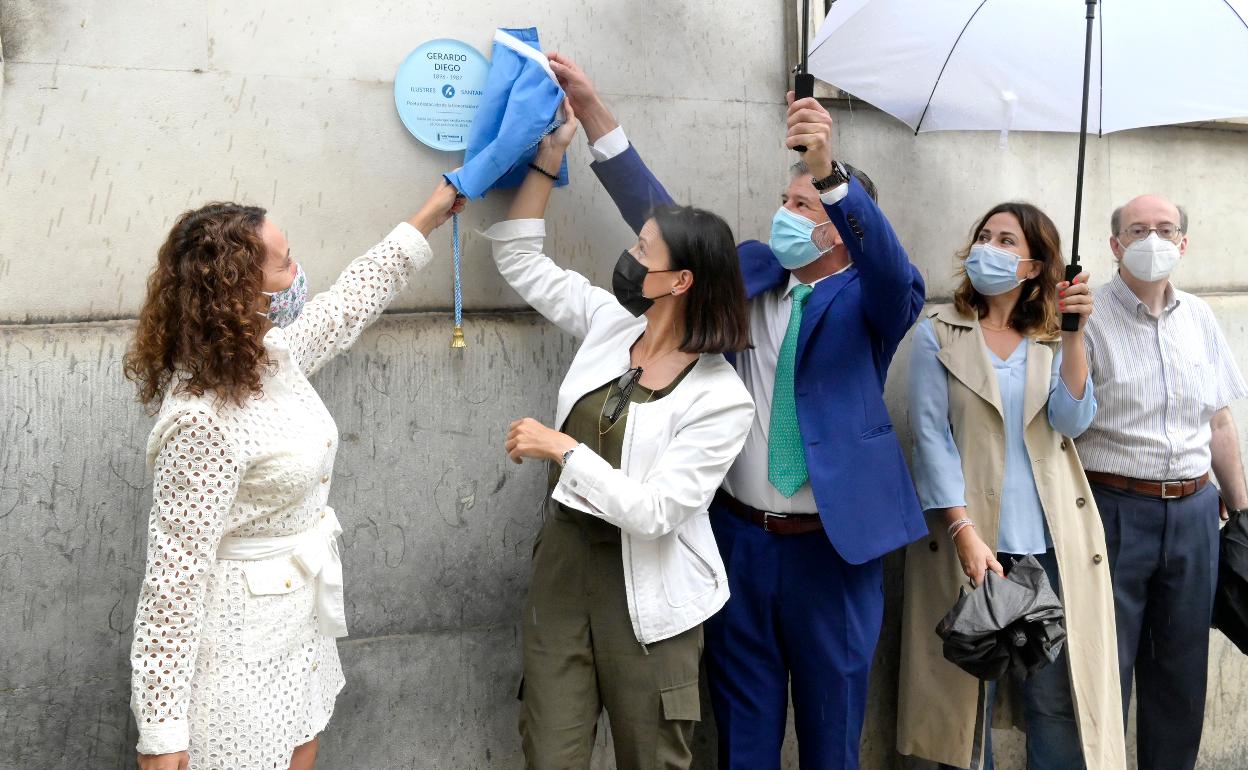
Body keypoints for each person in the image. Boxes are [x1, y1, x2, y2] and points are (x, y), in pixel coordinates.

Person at [547, 54, 927, 770]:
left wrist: (833, 172)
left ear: (842, 225)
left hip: (832, 552)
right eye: (786, 200)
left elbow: (890, 271)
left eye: (806, 205)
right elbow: (663, 219)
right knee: (742, 729)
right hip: (738, 541)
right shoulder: (751, 270)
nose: (787, 214)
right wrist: (596, 114)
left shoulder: (878, 299)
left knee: (831, 730)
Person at [123, 181, 463, 770]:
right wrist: (161, 731)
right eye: (286, 263)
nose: (299, 271)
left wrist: (429, 216)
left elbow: (348, 304)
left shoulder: (270, 359)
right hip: (235, 666)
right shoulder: (200, 421)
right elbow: (171, 586)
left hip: (299, 639)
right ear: (238, 293)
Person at [486, 101, 755, 770]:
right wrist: (550, 159)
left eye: (643, 250)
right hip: (563, 571)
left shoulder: (721, 398)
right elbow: (521, 261)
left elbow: (657, 512)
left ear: (681, 281)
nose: (630, 258)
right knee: (549, 753)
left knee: (653, 757)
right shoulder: (612, 325)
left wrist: (563, 448)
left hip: (650, 596)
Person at [897, 202, 1125, 770]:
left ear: (1031, 267)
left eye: (1005, 241)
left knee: (1055, 699)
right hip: (970, 541)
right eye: (984, 236)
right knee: (967, 706)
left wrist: (1073, 337)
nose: (988, 248)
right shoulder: (940, 333)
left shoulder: (1051, 340)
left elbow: (1073, 422)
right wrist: (964, 533)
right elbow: (929, 439)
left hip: (1050, 544)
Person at [1076, 194, 1248, 770]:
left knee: (1180, 670)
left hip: (1197, 510)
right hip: (1114, 509)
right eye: (1138, 229)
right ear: (1115, 243)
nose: (1153, 239)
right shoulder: (1087, 315)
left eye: (1165, 229)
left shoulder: (1199, 316)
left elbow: (1219, 419)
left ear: (1183, 242)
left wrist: (1242, 510)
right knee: (1106, 667)